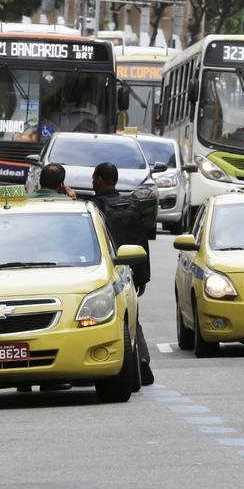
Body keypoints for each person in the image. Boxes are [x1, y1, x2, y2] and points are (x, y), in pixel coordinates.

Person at [87, 162, 154, 386]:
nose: (91, 182)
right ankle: (141, 359)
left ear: (98, 180)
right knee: (132, 316)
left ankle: (128, 360)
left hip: (106, 273)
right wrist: (143, 276)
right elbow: (142, 243)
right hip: (131, 270)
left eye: (93, 178)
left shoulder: (93, 209)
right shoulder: (132, 205)